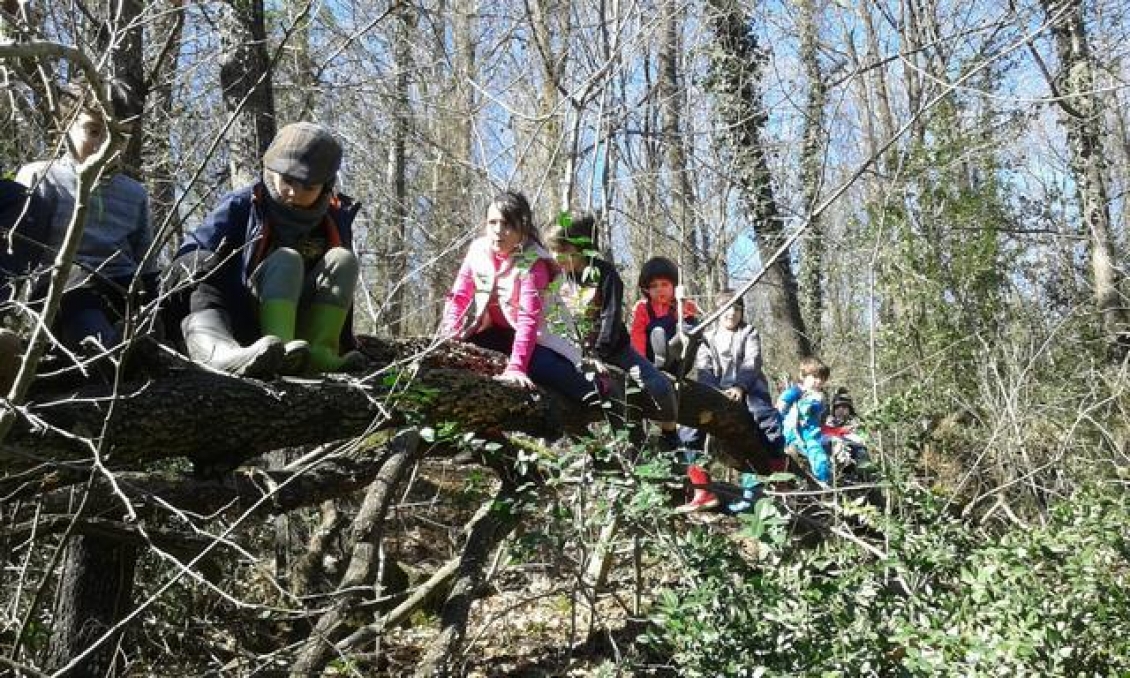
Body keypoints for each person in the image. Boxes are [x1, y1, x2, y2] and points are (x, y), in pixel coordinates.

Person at [172, 121, 364, 377]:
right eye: (288, 180)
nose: (294, 193)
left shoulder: (335, 219)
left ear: (326, 187)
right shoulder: (243, 205)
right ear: (270, 170)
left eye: (308, 187)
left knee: (343, 259)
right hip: (245, 318)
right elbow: (191, 257)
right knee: (287, 260)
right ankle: (280, 352)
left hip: (302, 319)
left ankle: (319, 352)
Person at [15, 91, 157, 352]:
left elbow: (144, 262)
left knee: (165, 291)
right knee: (76, 293)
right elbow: (16, 252)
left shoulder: (134, 193)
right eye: (93, 131)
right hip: (63, 289)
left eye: (119, 137)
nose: (105, 145)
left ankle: (158, 346)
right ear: (66, 126)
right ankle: (109, 353)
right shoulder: (41, 177)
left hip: (121, 286)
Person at [440, 191, 596, 402]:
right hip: (499, 331)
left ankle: (594, 389)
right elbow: (459, 297)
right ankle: (487, 430)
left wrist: (516, 367)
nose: (498, 231)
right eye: (492, 222)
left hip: (543, 339)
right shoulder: (478, 250)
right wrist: (447, 338)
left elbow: (528, 320)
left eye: (506, 224)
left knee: (539, 367)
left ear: (522, 228)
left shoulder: (533, 262)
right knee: (468, 355)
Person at [546, 212, 680, 446]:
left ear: (582, 246)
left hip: (614, 350)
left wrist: (597, 353)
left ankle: (670, 436)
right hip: (572, 350)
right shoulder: (557, 277)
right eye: (553, 249)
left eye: (563, 249)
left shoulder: (605, 275)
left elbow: (610, 317)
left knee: (660, 386)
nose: (557, 256)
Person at [687, 290, 789, 513]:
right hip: (717, 392)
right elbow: (704, 368)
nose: (731, 313)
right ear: (718, 311)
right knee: (689, 426)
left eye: (737, 308)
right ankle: (701, 487)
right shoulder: (707, 337)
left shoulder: (749, 332)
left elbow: (752, 362)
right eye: (727, 308)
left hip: (749, 388)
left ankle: (778, 469)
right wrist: (713, 391)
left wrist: (740, 386)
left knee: (765, 417)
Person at [629, 256, 700, 374]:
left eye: (664, 284)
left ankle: (669, 356)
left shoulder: (681, 305)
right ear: (647, 289)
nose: (659, 289)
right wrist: (639, 363)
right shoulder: (643, 309)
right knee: (657, 331)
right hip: (651, 361)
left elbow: (691, 330)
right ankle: (662, 357)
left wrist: (684, 308)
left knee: (689, 325)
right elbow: (637, 337)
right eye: (654, 286)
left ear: (674, 286)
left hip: (679, 361)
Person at [778, 356, 832, 484]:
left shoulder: (819, 397)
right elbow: (781, 406)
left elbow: (819, 411)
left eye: (821, 379)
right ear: (803, 376)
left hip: (812, 436)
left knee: (821, 460)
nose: (818, 381)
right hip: (794, 435)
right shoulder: (796, 391)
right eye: (814, 377)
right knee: (792, 458)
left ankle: (823, 484)